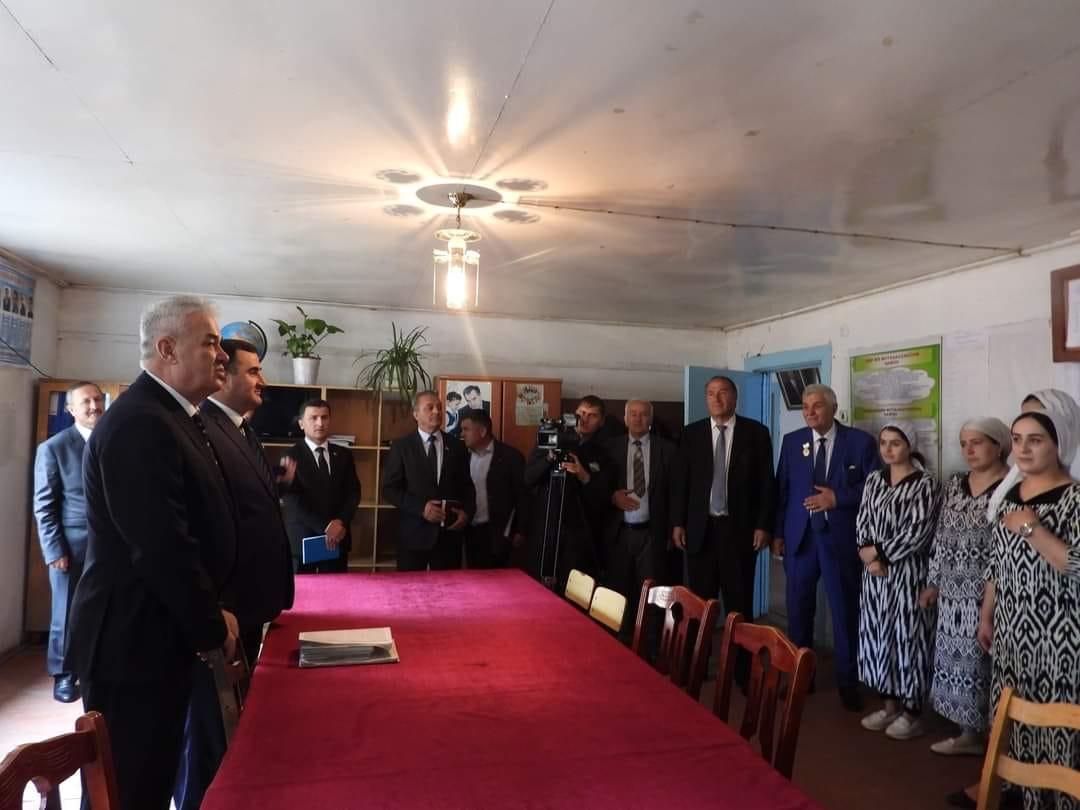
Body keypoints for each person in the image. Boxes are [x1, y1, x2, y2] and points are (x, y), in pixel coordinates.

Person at [65, 295, 239, 810]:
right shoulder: (141, 422)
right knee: (130, 789)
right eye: (210, 343)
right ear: (167, 349)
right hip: (132, 645)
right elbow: (162, 546)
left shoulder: (175, 415)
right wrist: (212, 625)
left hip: (155, 638)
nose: (222, 355)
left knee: (154, 778)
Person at [172, 340, 298, 810]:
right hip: (224, 608)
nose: (262, 380)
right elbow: (204, 528)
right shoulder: (203, 429)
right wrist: (216, 605)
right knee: (207, 736)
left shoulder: (241, 429)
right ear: (222, 377)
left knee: (232, 729)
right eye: (253, 371)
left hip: (250, 603)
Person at [978, 408, 1080, 810]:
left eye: (1035, 440)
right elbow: (996, 563)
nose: (1023, 449)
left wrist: (1032, 529)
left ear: (1059, 444)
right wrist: (987, 614)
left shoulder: (1074, 498)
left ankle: (1058, 800)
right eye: (1017, 439)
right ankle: (1019, 795)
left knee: (1055, 725)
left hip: (1059, 639)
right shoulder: (1011, 494)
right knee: (1012, 717)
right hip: (1010, 633)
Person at [774, 383, 879, 712]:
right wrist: (778, 533)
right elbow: (782, 490)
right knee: (798, 610)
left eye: (817, 405)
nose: (809, 412)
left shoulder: (859, 442)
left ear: (833, 408)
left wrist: (838, 498)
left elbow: (875, 488)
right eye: (805, 406)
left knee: (844, 612)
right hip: (801, 539)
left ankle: (848, 682)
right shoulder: (793, 442)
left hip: (840, 539)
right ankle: (800, 677)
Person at [920, 418, 1010, 757]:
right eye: (963, 443)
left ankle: (988, 736)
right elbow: (941, 534)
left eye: (977, 442)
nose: (968, 450)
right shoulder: (957, 483)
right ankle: (966, 732)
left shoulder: (1010, 486)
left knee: (981, 662)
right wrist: (934, 581)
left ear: (998, 446)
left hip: (986, 589)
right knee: (953, 660)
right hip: (952, 590)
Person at [856, 422, 942, 740]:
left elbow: (918, 531)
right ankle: (889, 704)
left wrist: (880, 554)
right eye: (883, 443)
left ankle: (912, 712)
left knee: (909, 640)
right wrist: (867, 553)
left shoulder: (926, 484)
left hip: (907, 574)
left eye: (896, 443)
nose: (888, 449)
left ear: (910, 445)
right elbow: (863, 519)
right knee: (878, 636)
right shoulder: (874, 480)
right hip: (874, 576)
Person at [672, 376, 774, 623]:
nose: (716, 399)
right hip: (700, 530)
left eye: (723, 392)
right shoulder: (691, 434)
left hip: (740, 531)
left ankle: (738, 650)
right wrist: (677, 523)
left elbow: (766, 484)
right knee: (699, 606)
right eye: (710, 393)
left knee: (739, 605)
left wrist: (763, 525)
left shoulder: (756, 433)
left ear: (735, 397)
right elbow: (681, 482)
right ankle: (699, 649)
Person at [32, 381, 104, 703]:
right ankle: (64, 675)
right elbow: (44, 505)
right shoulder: (54, 448)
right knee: (65, 612)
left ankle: (95, 669)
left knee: (103, 610)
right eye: (85, 402)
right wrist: (54, 550)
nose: (94, 406)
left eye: (98, 400)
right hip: (71, 547)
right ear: (71, 409)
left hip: (110, 546)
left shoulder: (113, 442)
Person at [604, 399, 676, 641]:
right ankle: (618, 645)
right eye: (633, 414)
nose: (638, 418)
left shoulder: (667, 449)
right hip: (619, 533)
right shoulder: (609, 448)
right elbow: (596, 488)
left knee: (653, 594)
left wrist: (672, 530)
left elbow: (676, 493)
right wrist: (612, 496)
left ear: (651, 419)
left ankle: (652, 648)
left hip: (652, 533)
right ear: (625, 418)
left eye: (644, 414)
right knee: (618, 594)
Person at [524, 395, 614, 586]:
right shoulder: (551, 440)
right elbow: (528, 478)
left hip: (579, 533)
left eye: (592, 415)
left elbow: (603, 498)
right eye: (581, 413)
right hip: (545, 526)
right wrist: (549, 458)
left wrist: (583, 475)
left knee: (572, 589)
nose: (585, 419)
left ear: (601, 421)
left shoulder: (603, 452)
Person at [381, 390, 476, 571]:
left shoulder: (457, 446)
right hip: (413, 534)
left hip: (448, 535)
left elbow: (467, 487)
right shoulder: (402, 447)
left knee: (448, 587)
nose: (437, 412)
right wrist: (421, 508)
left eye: (439, 407)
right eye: (430, 408)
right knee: (410, 587)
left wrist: (467, 513)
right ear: (416, 414)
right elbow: (389, 489)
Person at [282, 399, 360, 573]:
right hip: (304, 540)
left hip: (337, 539)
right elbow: (291, 499)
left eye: (324, 417)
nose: (320, 423)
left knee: (336, 588)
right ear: (301, 423)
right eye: (314, 418)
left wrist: (340, 522)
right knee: (304, 590)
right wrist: (326, 527)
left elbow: (353, 493)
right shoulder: (290, 455)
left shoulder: (344, 454)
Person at [459, 410, 527, 568]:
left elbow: (523, 496)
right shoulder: (461, 456)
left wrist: (521, 530)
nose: (462, 434)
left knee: (496, 578)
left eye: (466, 429)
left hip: (498, 532)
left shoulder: (511, 457)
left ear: (482, 431)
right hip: (468, 530)